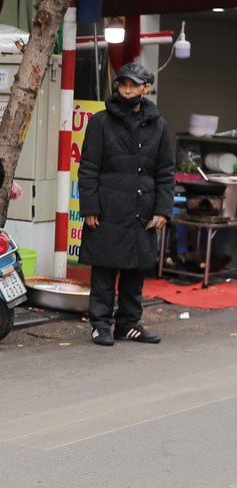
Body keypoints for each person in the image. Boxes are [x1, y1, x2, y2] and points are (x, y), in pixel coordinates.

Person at [79, 62, 174, 346]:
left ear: (146, 88)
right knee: (104, 270)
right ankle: (100, 325)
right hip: (108, 208)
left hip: (142, 210)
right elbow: (88, 168)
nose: (128, 89)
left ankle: (128, 324)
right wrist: (90, 208)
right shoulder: (100, 122)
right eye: (123, 84)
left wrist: (162, 209)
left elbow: (164, 172)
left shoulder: (158, 125)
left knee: (136, 270)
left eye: (134, 85)